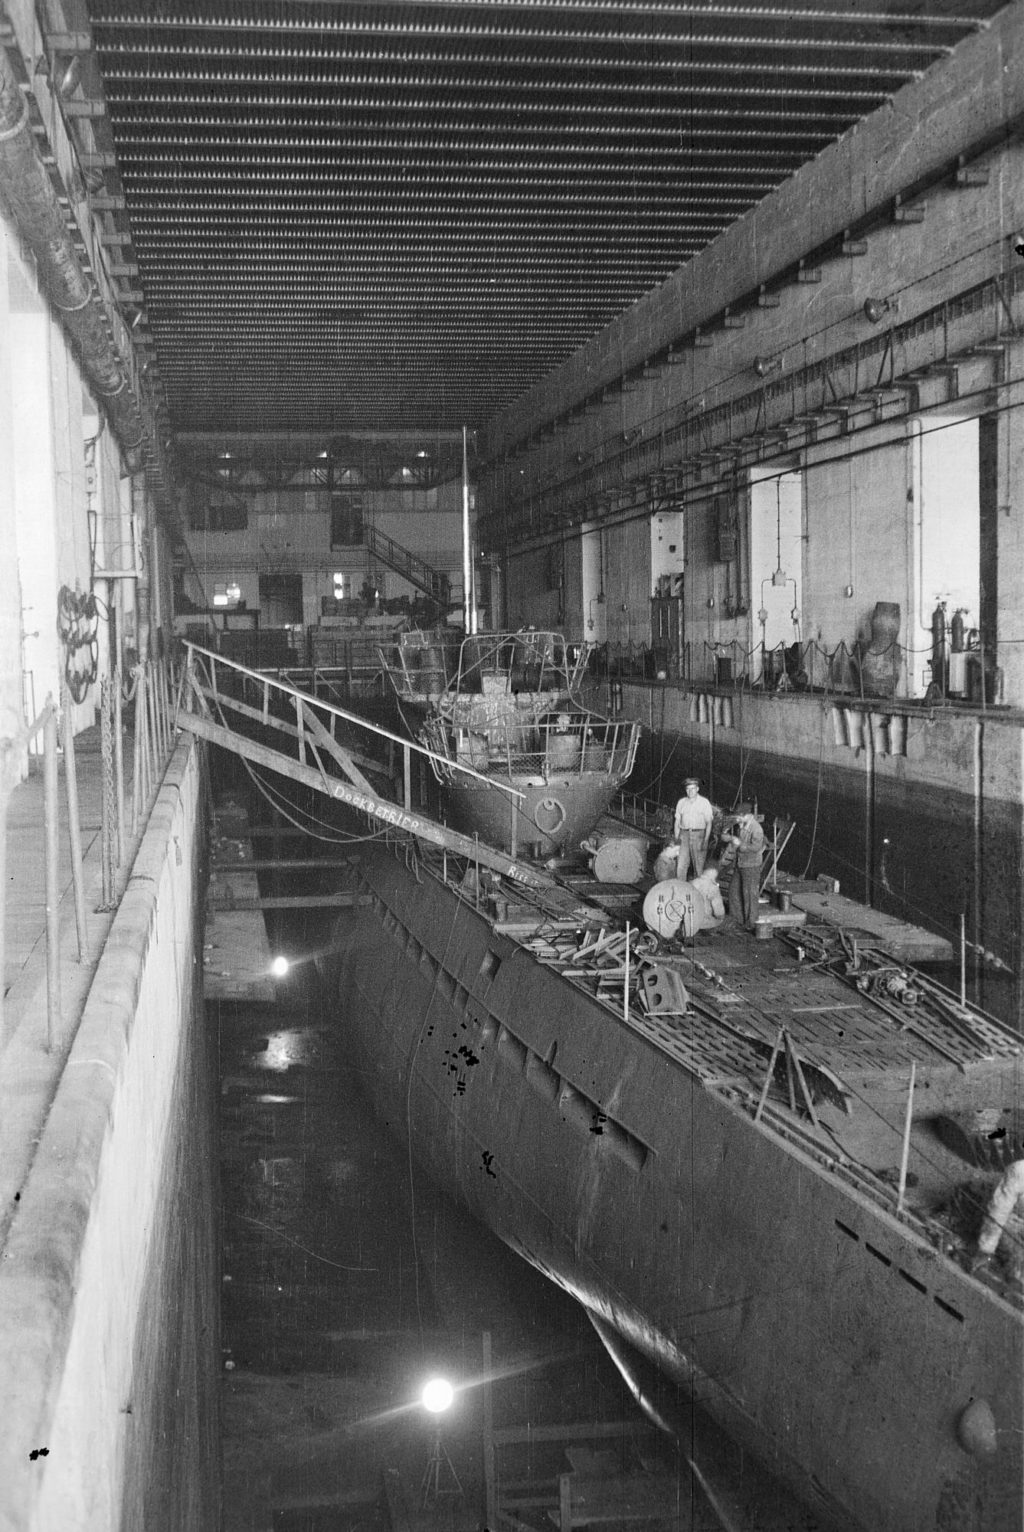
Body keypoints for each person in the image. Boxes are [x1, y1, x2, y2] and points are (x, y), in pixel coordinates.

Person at [972, 1158, 1024, 1283]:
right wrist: (986, 1248)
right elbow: (999, 1211)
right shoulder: (1020, 1171)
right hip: (1012, 1222)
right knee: (1018, 1259)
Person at [725, 803, 765, 931]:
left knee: (749, 894)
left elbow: (756, 847)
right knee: (734, 890)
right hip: (740, 863)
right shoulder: (742, 825)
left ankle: (751, 923)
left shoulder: (756, 828)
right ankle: (736, 919)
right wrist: (731, 838)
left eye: (739, 817)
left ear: (747, 815)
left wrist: (740, 845)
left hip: (751, 866)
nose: (737, 819)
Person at [673, 777, 714, 880]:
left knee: (698, 867)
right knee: (680, 866)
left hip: (699, 835)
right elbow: (677, 822)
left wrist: (705, 840)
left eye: (693, 788)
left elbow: (709, 823)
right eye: (688, 789)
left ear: (697, 789)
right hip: (684, 835)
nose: (690, 791)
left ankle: (697, 893)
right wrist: (677, 838)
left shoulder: (704, 802)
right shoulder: (681, 802)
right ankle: (681, 891)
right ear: (686, 790)